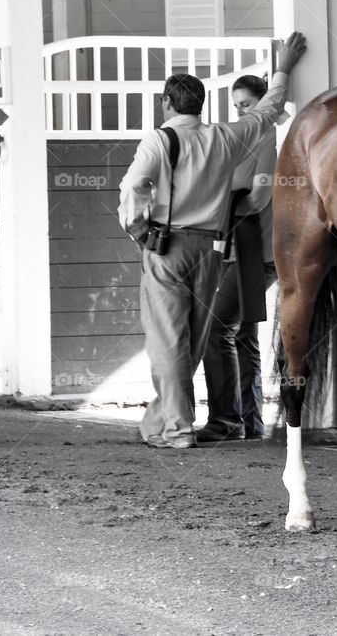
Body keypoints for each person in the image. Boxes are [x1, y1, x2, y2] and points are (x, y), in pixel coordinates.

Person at [118, 33, 308, 449]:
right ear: (200, 105)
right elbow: (269, 110)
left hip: (166, 245)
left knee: (168, 338)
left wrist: (137, 229)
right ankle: (162, 421)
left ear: (167, 103)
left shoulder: (160, 139)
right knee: (194, 336)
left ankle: (177, 428)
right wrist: (283, 69)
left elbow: (133, 185)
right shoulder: (224, 137)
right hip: (212, 250)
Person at [198, 75, 279, 441]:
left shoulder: (266, 141)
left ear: (262, 104)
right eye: (236, 106)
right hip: (239, 251)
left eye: (245, 104)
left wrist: (218, 208)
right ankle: (250, 423)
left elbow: (258, 199)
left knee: (217, 329)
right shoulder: (243, 143)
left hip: (259, 253)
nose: (239, 111)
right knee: (243, 336)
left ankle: (226, 421)